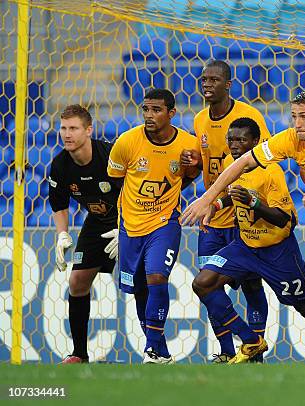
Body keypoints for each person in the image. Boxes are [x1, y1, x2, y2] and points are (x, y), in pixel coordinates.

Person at [190, 117, 305, 363]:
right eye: (231, 140)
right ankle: (251, 341)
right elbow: (232, 194)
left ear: (256, 143)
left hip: (278, 251)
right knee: (203, 283)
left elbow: (285, 220)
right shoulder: (231, 164)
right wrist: (216, 205)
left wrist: (253, 203)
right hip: (245, 246)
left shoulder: (270, 171)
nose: (235, 145)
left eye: (241, 140)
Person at [181, 60, 271, 363]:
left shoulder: (250, 116)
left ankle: (254, 348)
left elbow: (265, 161)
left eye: (214, 80)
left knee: (250, 282)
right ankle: (232, 347)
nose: (207, 85)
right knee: (206, 285)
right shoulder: (198, 121)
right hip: (212, 220)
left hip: (242, 216)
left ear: (228, 84)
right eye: (203, 79)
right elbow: (205, 164)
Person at [107, 88, 200, 364]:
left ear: (171, 113)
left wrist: (190, 168)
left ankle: (150, 348)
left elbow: (193, 174)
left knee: (157, 278)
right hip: (131, 227)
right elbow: (115, 181)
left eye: (156, 110)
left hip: (164, 223)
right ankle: (162, 353)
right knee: (139, 290)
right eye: (146, 109)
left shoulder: (187, 144)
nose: (149, 115)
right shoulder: (127, 142)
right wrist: (118, 222)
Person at [49, 104, 122, 364]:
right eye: (63, 128)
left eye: (73, 128)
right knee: (77, 282)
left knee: (141, 279)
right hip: (98, 221)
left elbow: (134, 192)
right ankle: (79, 354)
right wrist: (62, 234)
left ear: (88, 130)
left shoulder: (110, 155)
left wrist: (126, 228)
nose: (67, 134)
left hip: (131, 220)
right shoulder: (60, 165)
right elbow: (58, 203)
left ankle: (155, 350)